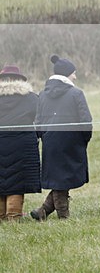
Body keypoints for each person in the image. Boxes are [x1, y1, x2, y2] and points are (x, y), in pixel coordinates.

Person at [30, 56, 92, 220]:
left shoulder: (42, 94)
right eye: (73, 73)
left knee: (60, 178)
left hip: (50, 143)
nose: (75, 77)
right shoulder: (76, 93)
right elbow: (86, 121)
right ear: (67, 75)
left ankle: (42, 211)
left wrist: (46, 138)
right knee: (62, 180)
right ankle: (63, 215)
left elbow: (38, 122)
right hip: (72, 142)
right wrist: (83, 140)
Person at [0, 65, 40, 222]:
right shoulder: (30, 98)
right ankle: (14, 217)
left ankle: (2, 216)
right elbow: (40, 118)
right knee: (17, 181)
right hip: (22, 144)